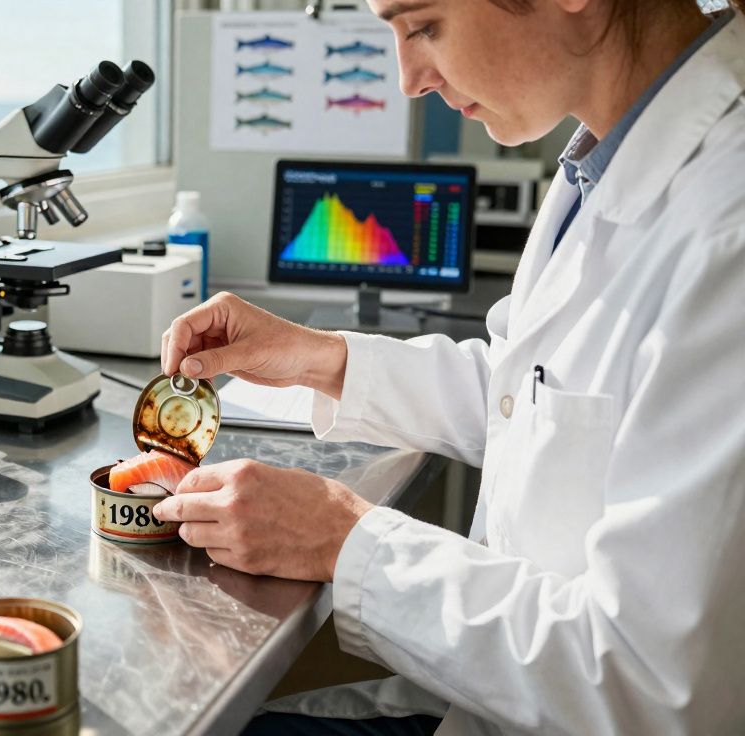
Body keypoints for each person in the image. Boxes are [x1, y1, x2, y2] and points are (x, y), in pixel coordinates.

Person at [152, 0, 745, 733]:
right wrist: (317, 357)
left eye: (424, 26)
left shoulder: (728, 228)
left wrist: (343, 539)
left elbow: (651, 684)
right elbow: (532, 394)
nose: (407, 80)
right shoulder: (598, 165)